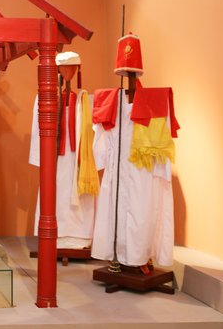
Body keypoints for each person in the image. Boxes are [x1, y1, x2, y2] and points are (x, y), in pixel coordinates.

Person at [90, 34, 178, 270]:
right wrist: (103, 160)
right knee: (116, 211)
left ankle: (140, 256)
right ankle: (117, 256)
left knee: (142, 211)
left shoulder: (154, 101)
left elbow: (164, 137)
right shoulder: (111, 100)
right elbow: (100, 135)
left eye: (132, 71)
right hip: (117, 167)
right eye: (125, 71)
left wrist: (162, 169)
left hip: (142, 168)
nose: (128, 75)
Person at [29, 51, 98, 250]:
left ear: (77, 70)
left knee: (80, 196)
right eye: (64, 69)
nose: (68, 73)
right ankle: (56, 237)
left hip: (79, 158)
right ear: (57, 71)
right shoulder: (44, 98)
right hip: (55, 157)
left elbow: (95, 131)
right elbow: (37, 129)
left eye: (72, 69)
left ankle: (80, 238)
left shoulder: (86, 101)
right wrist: (40, 157)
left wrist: (95, 157)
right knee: (55, 192)